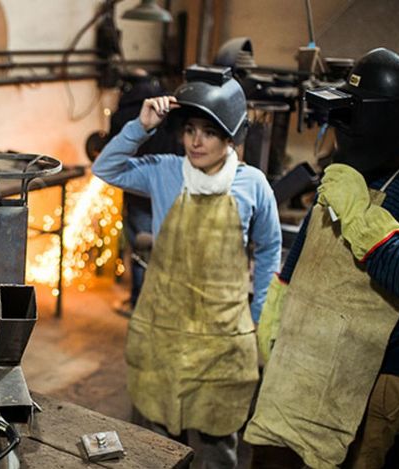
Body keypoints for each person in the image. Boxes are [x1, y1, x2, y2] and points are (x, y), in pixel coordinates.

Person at [247, 48, 399, 469]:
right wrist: (282, 293)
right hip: (310, 355)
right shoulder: (366, 152)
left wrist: (361, 215)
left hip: (380, 374)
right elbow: (320, 227)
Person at [92, 66, 282, 468]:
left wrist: (258, 314)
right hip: (162, 334)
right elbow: (105, 169)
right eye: (190, 129)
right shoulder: (165, 170)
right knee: (156, 447)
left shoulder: (252, 185)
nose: (196, 142)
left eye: (209, 132)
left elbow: (269, 249)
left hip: (221, 342)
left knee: (217, 448)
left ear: (229, 136)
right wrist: (140, 128)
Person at [108, 72, 184, 316]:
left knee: (142, 251)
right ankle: (154, 306)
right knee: (161, 249)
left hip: (136, 190)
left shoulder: (122, 115)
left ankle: (138, 303)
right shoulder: (164, 112)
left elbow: (110, 153)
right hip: (166, 190)